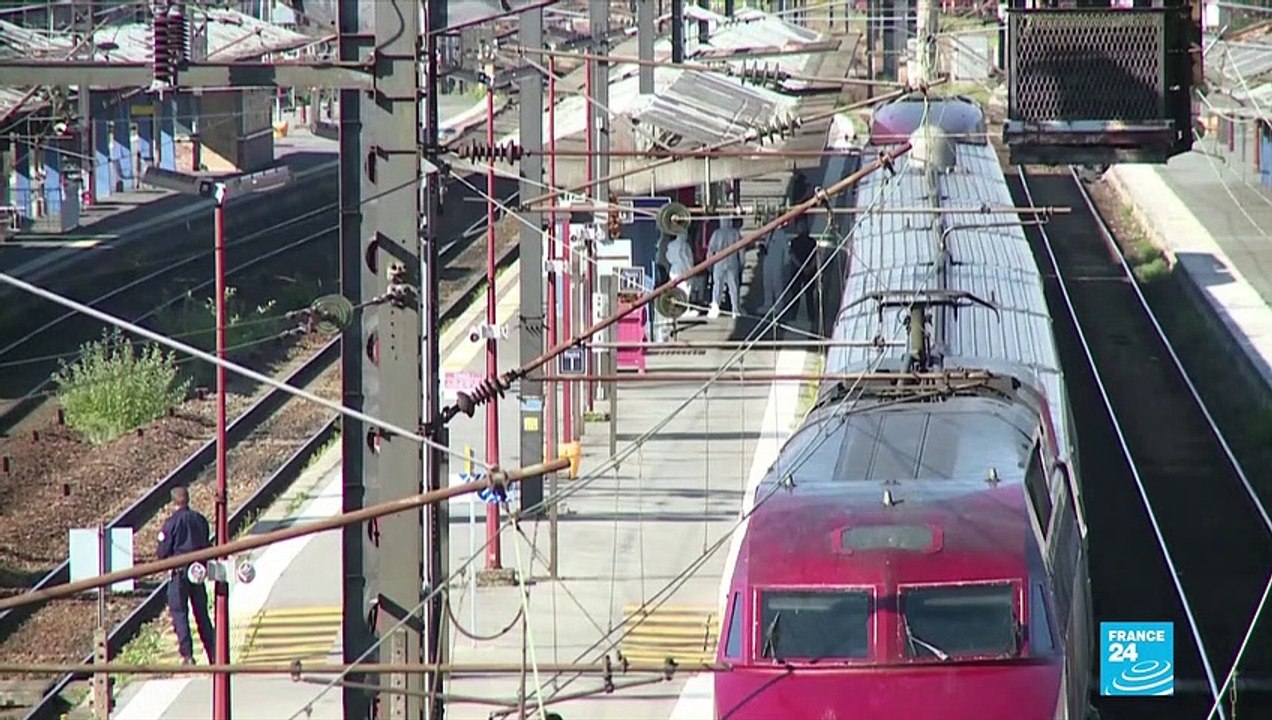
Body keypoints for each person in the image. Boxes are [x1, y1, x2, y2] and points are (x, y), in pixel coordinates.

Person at [158, 486, 215, 665]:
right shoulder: (200, 520)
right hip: (197, 572)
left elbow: (162, 551)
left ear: (173, 502)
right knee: (202, 614)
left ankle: (188, 655)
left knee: (180, 613)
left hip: (179, 573)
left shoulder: (171, 523)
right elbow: (207, 543)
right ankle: (214, 653)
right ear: (188, 499)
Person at [707, 217, 744, 318]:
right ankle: (735, 309)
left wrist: (709, 264)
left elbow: (711, 250)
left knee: (717, 285)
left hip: (719, 261)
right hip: (732, 261)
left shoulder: (716, 233)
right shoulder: (735, 233)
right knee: (733, 287)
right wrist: (741, 264)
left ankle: (715, 307)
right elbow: (741, 250)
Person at [666, 229, 700, 318]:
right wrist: (691, 270)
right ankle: (684, 310)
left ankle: (676, 309)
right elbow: (687, 259)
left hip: (673, 268)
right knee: (685, 290)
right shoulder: (685, 245)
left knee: (676, 290)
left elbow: (668, 256)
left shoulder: (671, 245)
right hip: (683, 269)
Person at [788, 226, 819, 325]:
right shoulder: (809, 242)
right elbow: (793, 256)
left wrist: (803, 267)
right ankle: (808, 316)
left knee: (805, 295)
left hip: (801, 270)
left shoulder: (810, 242)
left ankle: (804, 315)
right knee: (799, 295)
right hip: (805, 271)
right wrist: (808, 268)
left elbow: (793, 257)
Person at [761, 229, 791, 317]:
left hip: (777, 262)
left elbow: (786, 249)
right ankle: (768, 303)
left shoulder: (781, 234)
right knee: (767, 283)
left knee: (777, 284)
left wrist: (784, 263)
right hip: (767, 261)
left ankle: (779, 304)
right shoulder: (767, 233)